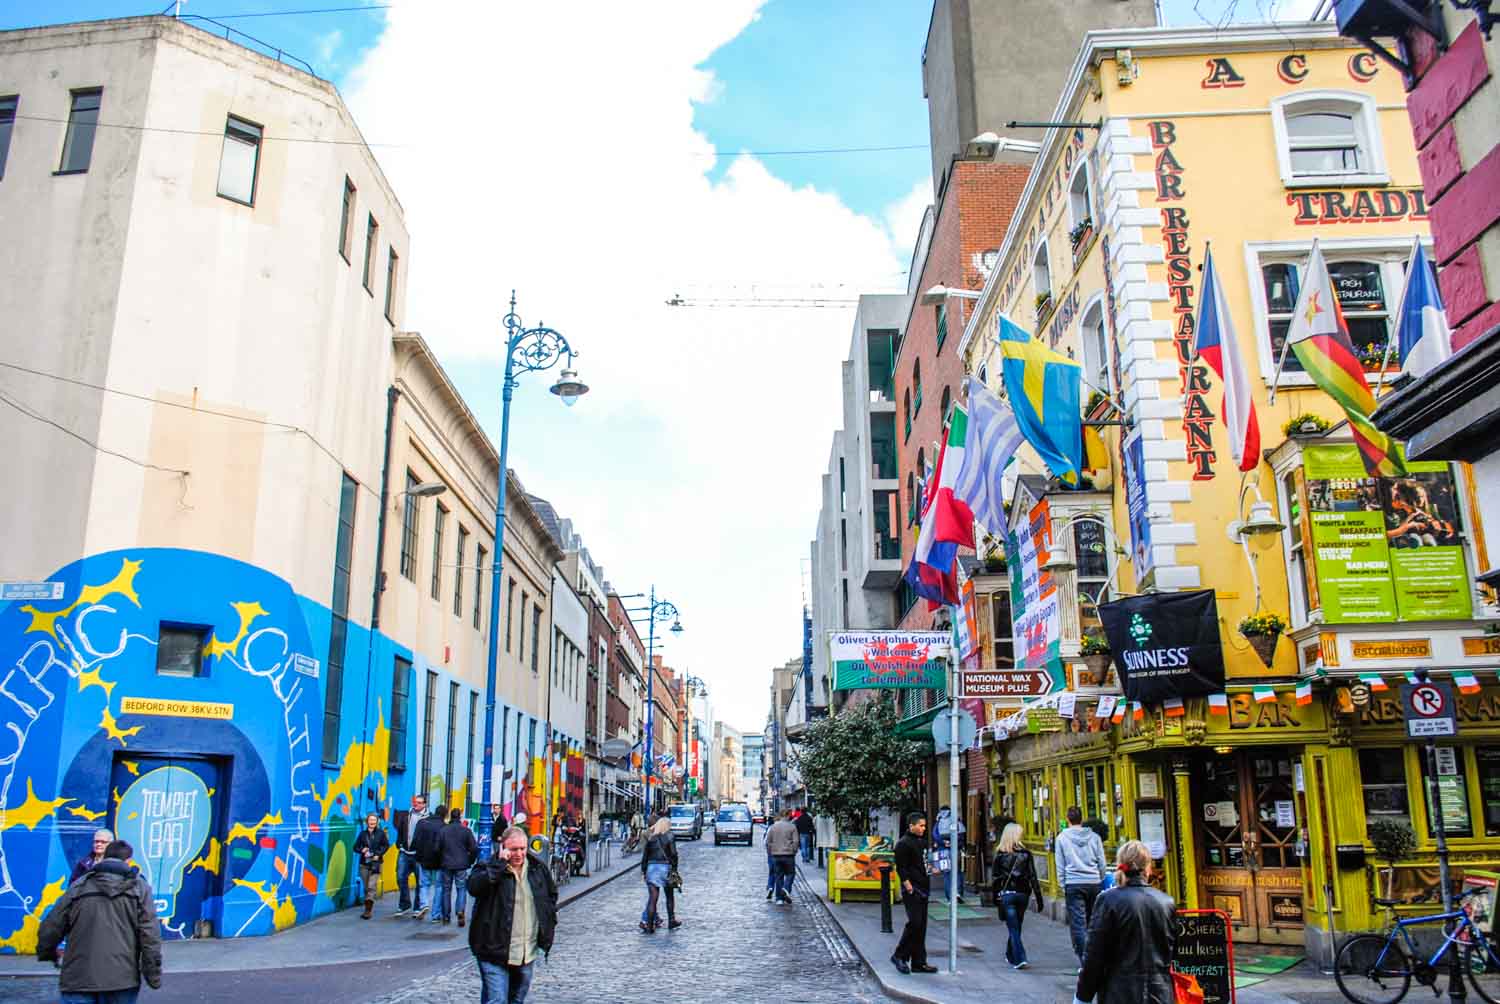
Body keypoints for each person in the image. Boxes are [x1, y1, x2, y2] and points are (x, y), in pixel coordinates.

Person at [37, 839, 163, 1003]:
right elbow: (150, 935)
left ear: (104, 857)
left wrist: (47, 953)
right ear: (128, 861)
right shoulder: (140, 888)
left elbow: (52, 925)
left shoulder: (79, 885)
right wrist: (153, 975)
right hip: (121, 979)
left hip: (78, 977)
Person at [1072, 840, 1175, 1004]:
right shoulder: (1166, 902)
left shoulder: (1108, 900)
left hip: (1119, 992)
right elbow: (1171, 952)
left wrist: (1083, 997)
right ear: (1148, 868)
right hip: (1160, 993)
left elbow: (1094, 956)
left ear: (1121, 865)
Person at [468, 825, 558, 1004]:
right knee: (497, 1000)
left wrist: (549, 922)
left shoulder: (537, 870)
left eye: (522, 849)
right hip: (493, 950)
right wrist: (498, 866)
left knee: (516, 1000)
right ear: (503, 847)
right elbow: (474, 887)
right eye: (513, 849)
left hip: (526, 952)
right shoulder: (488, 867)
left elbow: (551, 896)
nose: (518, 854)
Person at [1055, 805, 1108, 968]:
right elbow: (1102, 861)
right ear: (1081, 818)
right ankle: (1097, 957)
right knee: (1094, 922)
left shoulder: (1062, 838)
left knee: (1079, 924)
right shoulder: (1094, 837)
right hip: (1093, 882)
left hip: (1074, 883)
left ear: (1068, 819)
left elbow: (1060, 864)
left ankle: (1087, 963)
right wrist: (1099, 878)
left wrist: (1063, 884)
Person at [991, 822, 1044, 970]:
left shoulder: (1000, 855)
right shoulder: (1025, 854)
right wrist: (1039, 898)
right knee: (1016, 925)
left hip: (1007, 895)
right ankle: (1010, 954)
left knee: (1013, 927)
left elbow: (995, 879)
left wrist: (996, 898)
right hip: (1022, 894)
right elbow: (1033, 876)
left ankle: (1019, 957)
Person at [892, 811, 937, 975]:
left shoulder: (922, 842)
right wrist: (908, 885)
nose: (924, 828)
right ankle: (899, 955)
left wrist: (932, 869)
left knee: (921, 925)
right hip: (913, 889)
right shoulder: (903, 844)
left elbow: (924, 863)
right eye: (921, 825)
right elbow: (901, 867)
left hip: (923, 887)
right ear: (911, 826)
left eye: (925, 825)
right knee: (915, 923)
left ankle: (919, 961)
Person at [638, 816, 681, 932]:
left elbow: (645, 856)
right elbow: (673, 854)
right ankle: (671, 920)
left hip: (652, 868)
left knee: (653, 898)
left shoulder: (651, 838)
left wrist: (643, 870)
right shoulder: (670, 836)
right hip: (665, 867)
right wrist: (675, 869)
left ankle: (650, 926)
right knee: (669, 896)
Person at [439, 807, 479, 927]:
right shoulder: (466, 831)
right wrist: (470, 861)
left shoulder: (444, 830)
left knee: (446, 889)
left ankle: (446, 916)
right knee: (461, 888)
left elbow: (437, 847)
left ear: (451, 816)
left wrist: (441, 858)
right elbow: (474, 848)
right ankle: (460, 910)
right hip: (461, 864)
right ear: (460, 817)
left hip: (446, 863)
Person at [392, 793, 429, 917]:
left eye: (419, 802)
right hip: (404, 852)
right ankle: (404, 904)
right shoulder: (407, 815)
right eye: (415, 802)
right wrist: (399, 844)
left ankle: (417, 907)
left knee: (420, 881)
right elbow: (401, 830)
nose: (416, 804)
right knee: (400, 877)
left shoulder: (428, 818)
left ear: (424, 804)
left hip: (419, 855)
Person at [413, 803, 446, 922]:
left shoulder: (422, 823)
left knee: (423, 884)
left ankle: (424, 904)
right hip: (438, 861)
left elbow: (415, 840)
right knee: (439, 887)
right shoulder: (444, 826)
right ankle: (435, 914)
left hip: (424, 859)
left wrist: (417, 855)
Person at [353, 812, 390, 919]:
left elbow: (386, 845)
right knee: (366, 888)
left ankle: (368, 911)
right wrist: (362, 850)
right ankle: (367, 906)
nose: (372, 822)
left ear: (377, 822)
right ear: (367, 821)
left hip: (375, 864)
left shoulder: (381, 833)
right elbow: (355, 847)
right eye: (370, 820)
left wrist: (378, 854)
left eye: (374, 820)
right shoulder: (362, 834)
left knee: (371, 887)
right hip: (364, 864)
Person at [764, 810, 799, 905]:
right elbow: (796, 842)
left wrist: (770, 852)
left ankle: (779, 898)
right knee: (790, 873)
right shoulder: (792, 826)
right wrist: (794, 851)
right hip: (788, 854)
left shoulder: (773, 827)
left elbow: (768, 842)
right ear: (787, 815)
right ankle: (786, 888)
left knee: (778, 876)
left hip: (776, 855)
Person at [934, 805, 967, 903]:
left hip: (942, 851)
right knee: (957, 871)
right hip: (955, 849)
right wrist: (954, 842)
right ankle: (958, 893)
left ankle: (949, 897)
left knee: (947, 874)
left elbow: (935, 835)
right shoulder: (955, 819)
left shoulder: (938, 821)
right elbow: (961, 835)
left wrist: (943, 843)